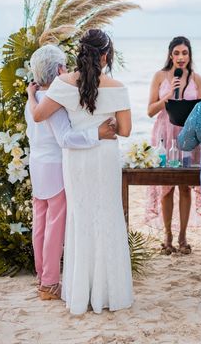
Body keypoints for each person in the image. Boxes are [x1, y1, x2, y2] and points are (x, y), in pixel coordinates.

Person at [27, 29, 133, 315]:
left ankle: (79, 290)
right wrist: (102, 126)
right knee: (108, 216)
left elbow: (38, 115)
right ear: (106, 55)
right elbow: (124, 130)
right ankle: (109, 291)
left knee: (80, 218)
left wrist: (30, 93)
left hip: (76, 160)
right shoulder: (118, 86)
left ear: (80, 52)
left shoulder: (62, 83)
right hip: (105, 157)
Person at [145, 36, 201, 255]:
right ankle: (167, 235)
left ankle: (183, 236)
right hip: (164, 133)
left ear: (190, 55)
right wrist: (168, 96)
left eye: (185, 53)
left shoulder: (196, 79)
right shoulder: (160, 76)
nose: (181, 57)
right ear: (171, 55)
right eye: (177, 53)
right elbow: (150, 111)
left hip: (187, 133)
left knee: (185, 185)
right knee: (166, 186)